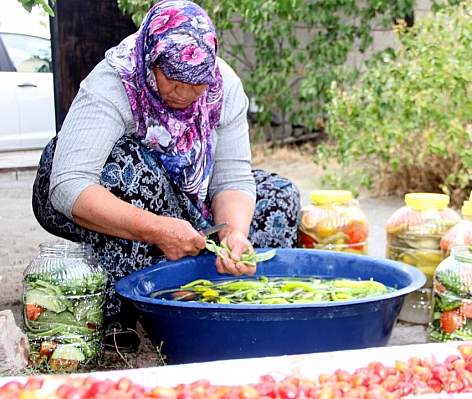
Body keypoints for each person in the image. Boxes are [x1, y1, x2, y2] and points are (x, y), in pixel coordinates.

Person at [32, 0, 300, 348]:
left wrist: (234, 233)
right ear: (151, 60)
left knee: (280, 197)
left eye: (197, 83)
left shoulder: (224, 87)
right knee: (132, 170)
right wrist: (156, 229)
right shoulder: (114, 82)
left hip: (181, 201)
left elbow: (233, 177)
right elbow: (69, 185)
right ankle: (117, 312)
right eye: (173, 78)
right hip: (89, 195)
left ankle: (226, 303)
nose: (186, 94)